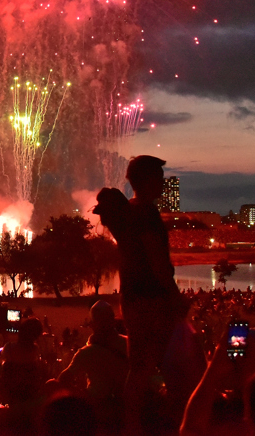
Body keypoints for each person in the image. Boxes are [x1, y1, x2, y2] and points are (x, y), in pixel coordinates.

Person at [93, 155, 188, 434]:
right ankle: (177, 422)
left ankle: (133, 425)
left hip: (134, 298)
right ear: (147, 179)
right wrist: (174, 296)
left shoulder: (130, 212)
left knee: (140, 367)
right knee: (170, 363)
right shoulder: (145, 213)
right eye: (159, 175)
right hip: (152, 300)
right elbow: (156, 261)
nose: (162, 181)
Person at [57, 300, 128, 430]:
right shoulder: (129, 344)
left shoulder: (86, 352)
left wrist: (81, 395)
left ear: (92, 325)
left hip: (97, 410)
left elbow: (62, 380)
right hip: (126, 408)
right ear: (113, 320)